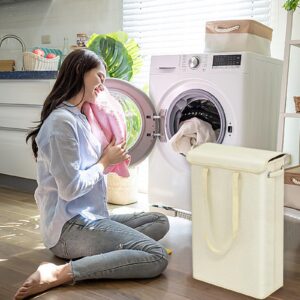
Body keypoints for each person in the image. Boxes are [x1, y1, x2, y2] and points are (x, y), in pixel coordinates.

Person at [14, 49, 169, 300]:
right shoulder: (60, 123)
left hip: (90, 216)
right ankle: (60, 271)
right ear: (80, 73)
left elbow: (93, 165)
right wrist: (105, 162)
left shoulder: (82, 115)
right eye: (100, 76)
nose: (102, 85)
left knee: (160, 222)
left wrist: (110, 158)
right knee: (156, 256)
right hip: (68, 228)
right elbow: (70, 188)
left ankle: (113, 252)